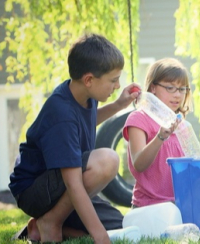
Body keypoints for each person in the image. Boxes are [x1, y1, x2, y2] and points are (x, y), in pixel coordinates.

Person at [8, 33, 142, 243]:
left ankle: (39, 226)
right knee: (107, 160)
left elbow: (85, 121)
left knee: (119, 224)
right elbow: (73, 184)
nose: (117, 86)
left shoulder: (84, 95)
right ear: (89, 79)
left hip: (60, 186)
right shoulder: (61, 113)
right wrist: (101, 238)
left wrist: (118, 105)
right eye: (113, 80)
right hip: (34, 189)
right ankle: (51, 222)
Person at [123, 58, 200, 208]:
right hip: (149, 207)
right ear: (153, 88)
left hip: (181, 204)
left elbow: (190, 171)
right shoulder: (139, 118)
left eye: (182, 89)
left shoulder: (183, 126)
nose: (177, 95)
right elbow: (139, 164)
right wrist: (160, 137)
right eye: (170, 88)